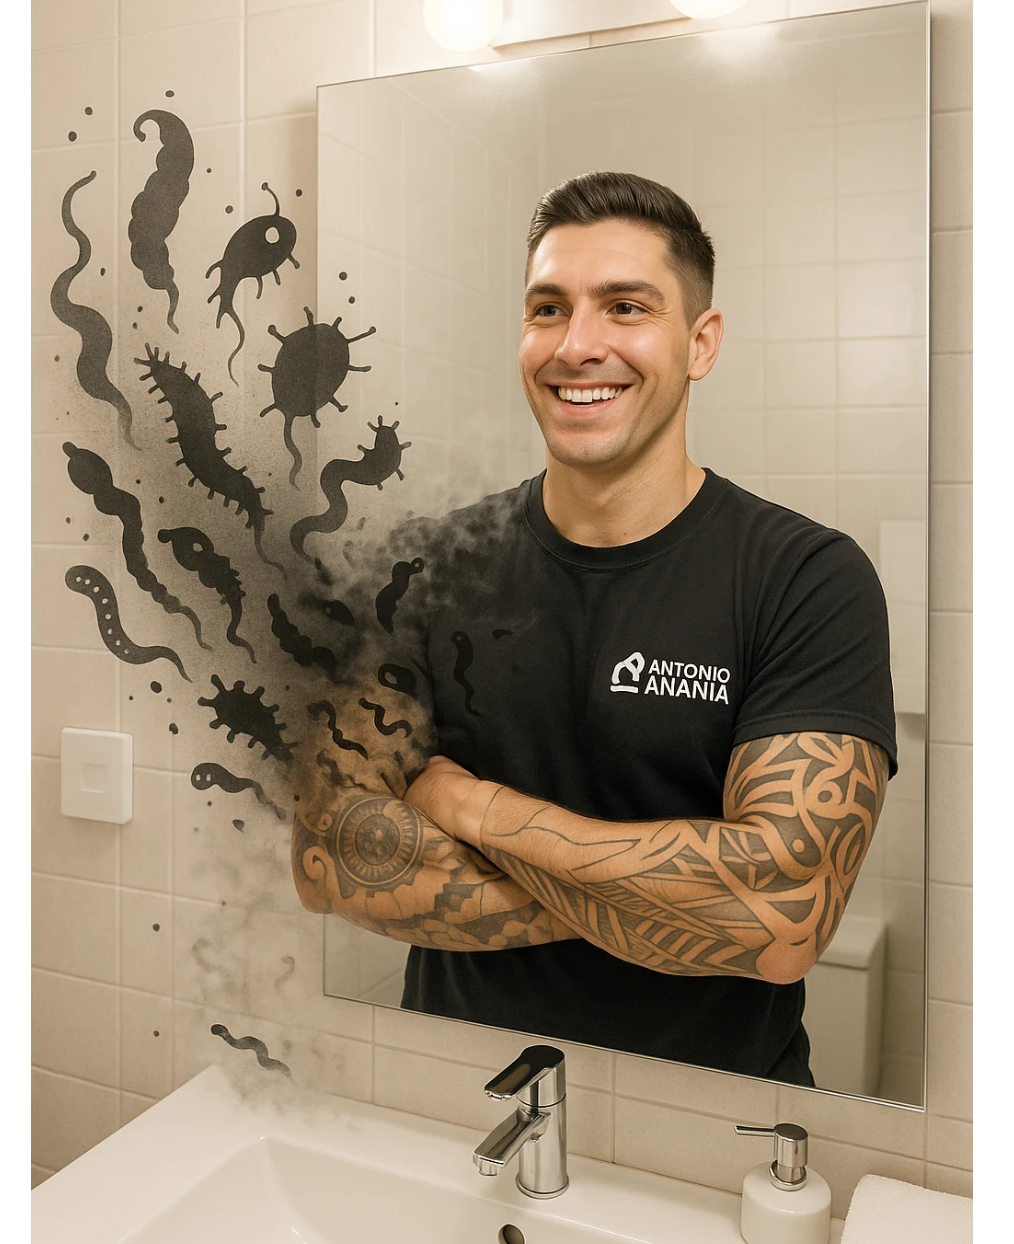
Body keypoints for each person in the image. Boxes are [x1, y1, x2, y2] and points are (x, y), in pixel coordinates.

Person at [290, 171, 897, 1087]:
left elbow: (782, 914)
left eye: (625, 307)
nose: (578, 345)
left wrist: (473, 808)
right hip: (457, 1098)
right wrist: (681, 897)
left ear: (701, 343)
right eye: (547, 308)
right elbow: (328, 855)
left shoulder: (806, 578)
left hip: (711, 1133)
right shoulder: (421, 569)